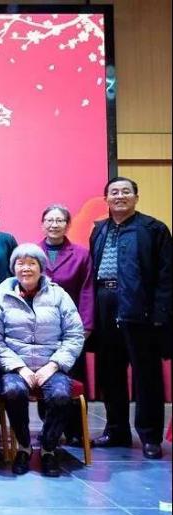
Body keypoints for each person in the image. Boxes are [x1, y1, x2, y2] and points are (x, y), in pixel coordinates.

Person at [89, 177, 171, 459]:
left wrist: (160, 313)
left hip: (140, 307)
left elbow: (166, 276)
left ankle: (150, 436)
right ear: (106, 199)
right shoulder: (99, 229)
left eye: (126, 191)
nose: (120, 196)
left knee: (146, 375)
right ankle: (116, 430)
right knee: (109, 371)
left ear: (136, 197)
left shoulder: (153, 229)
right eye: (114, 192)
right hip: (105, 303)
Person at [0, 244, 85, 477]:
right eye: (20, 263)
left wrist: (53, 365)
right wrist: (19, 368)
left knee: (61, 395)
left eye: (32, 263)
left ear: (41, 267)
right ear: (13, 268)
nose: (26, 268)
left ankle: (48, 448)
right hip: (16, 366)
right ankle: (24, 446)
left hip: (52, 365)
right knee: (13, 391)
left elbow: (74, 335)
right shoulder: (1, 297)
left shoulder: (58, 295)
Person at [38, 204, 94, 445]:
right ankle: (49, 428)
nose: (54, 225)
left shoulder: (81, 254)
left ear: (68, 224)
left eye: (59, 220)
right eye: (49, 220)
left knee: (74, 378)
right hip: (43, 328)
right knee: (45, 377)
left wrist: (86, 326)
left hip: (72, 328)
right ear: (42, 224)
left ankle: (76, 431)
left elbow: (87, 291)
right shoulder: (33, 253)